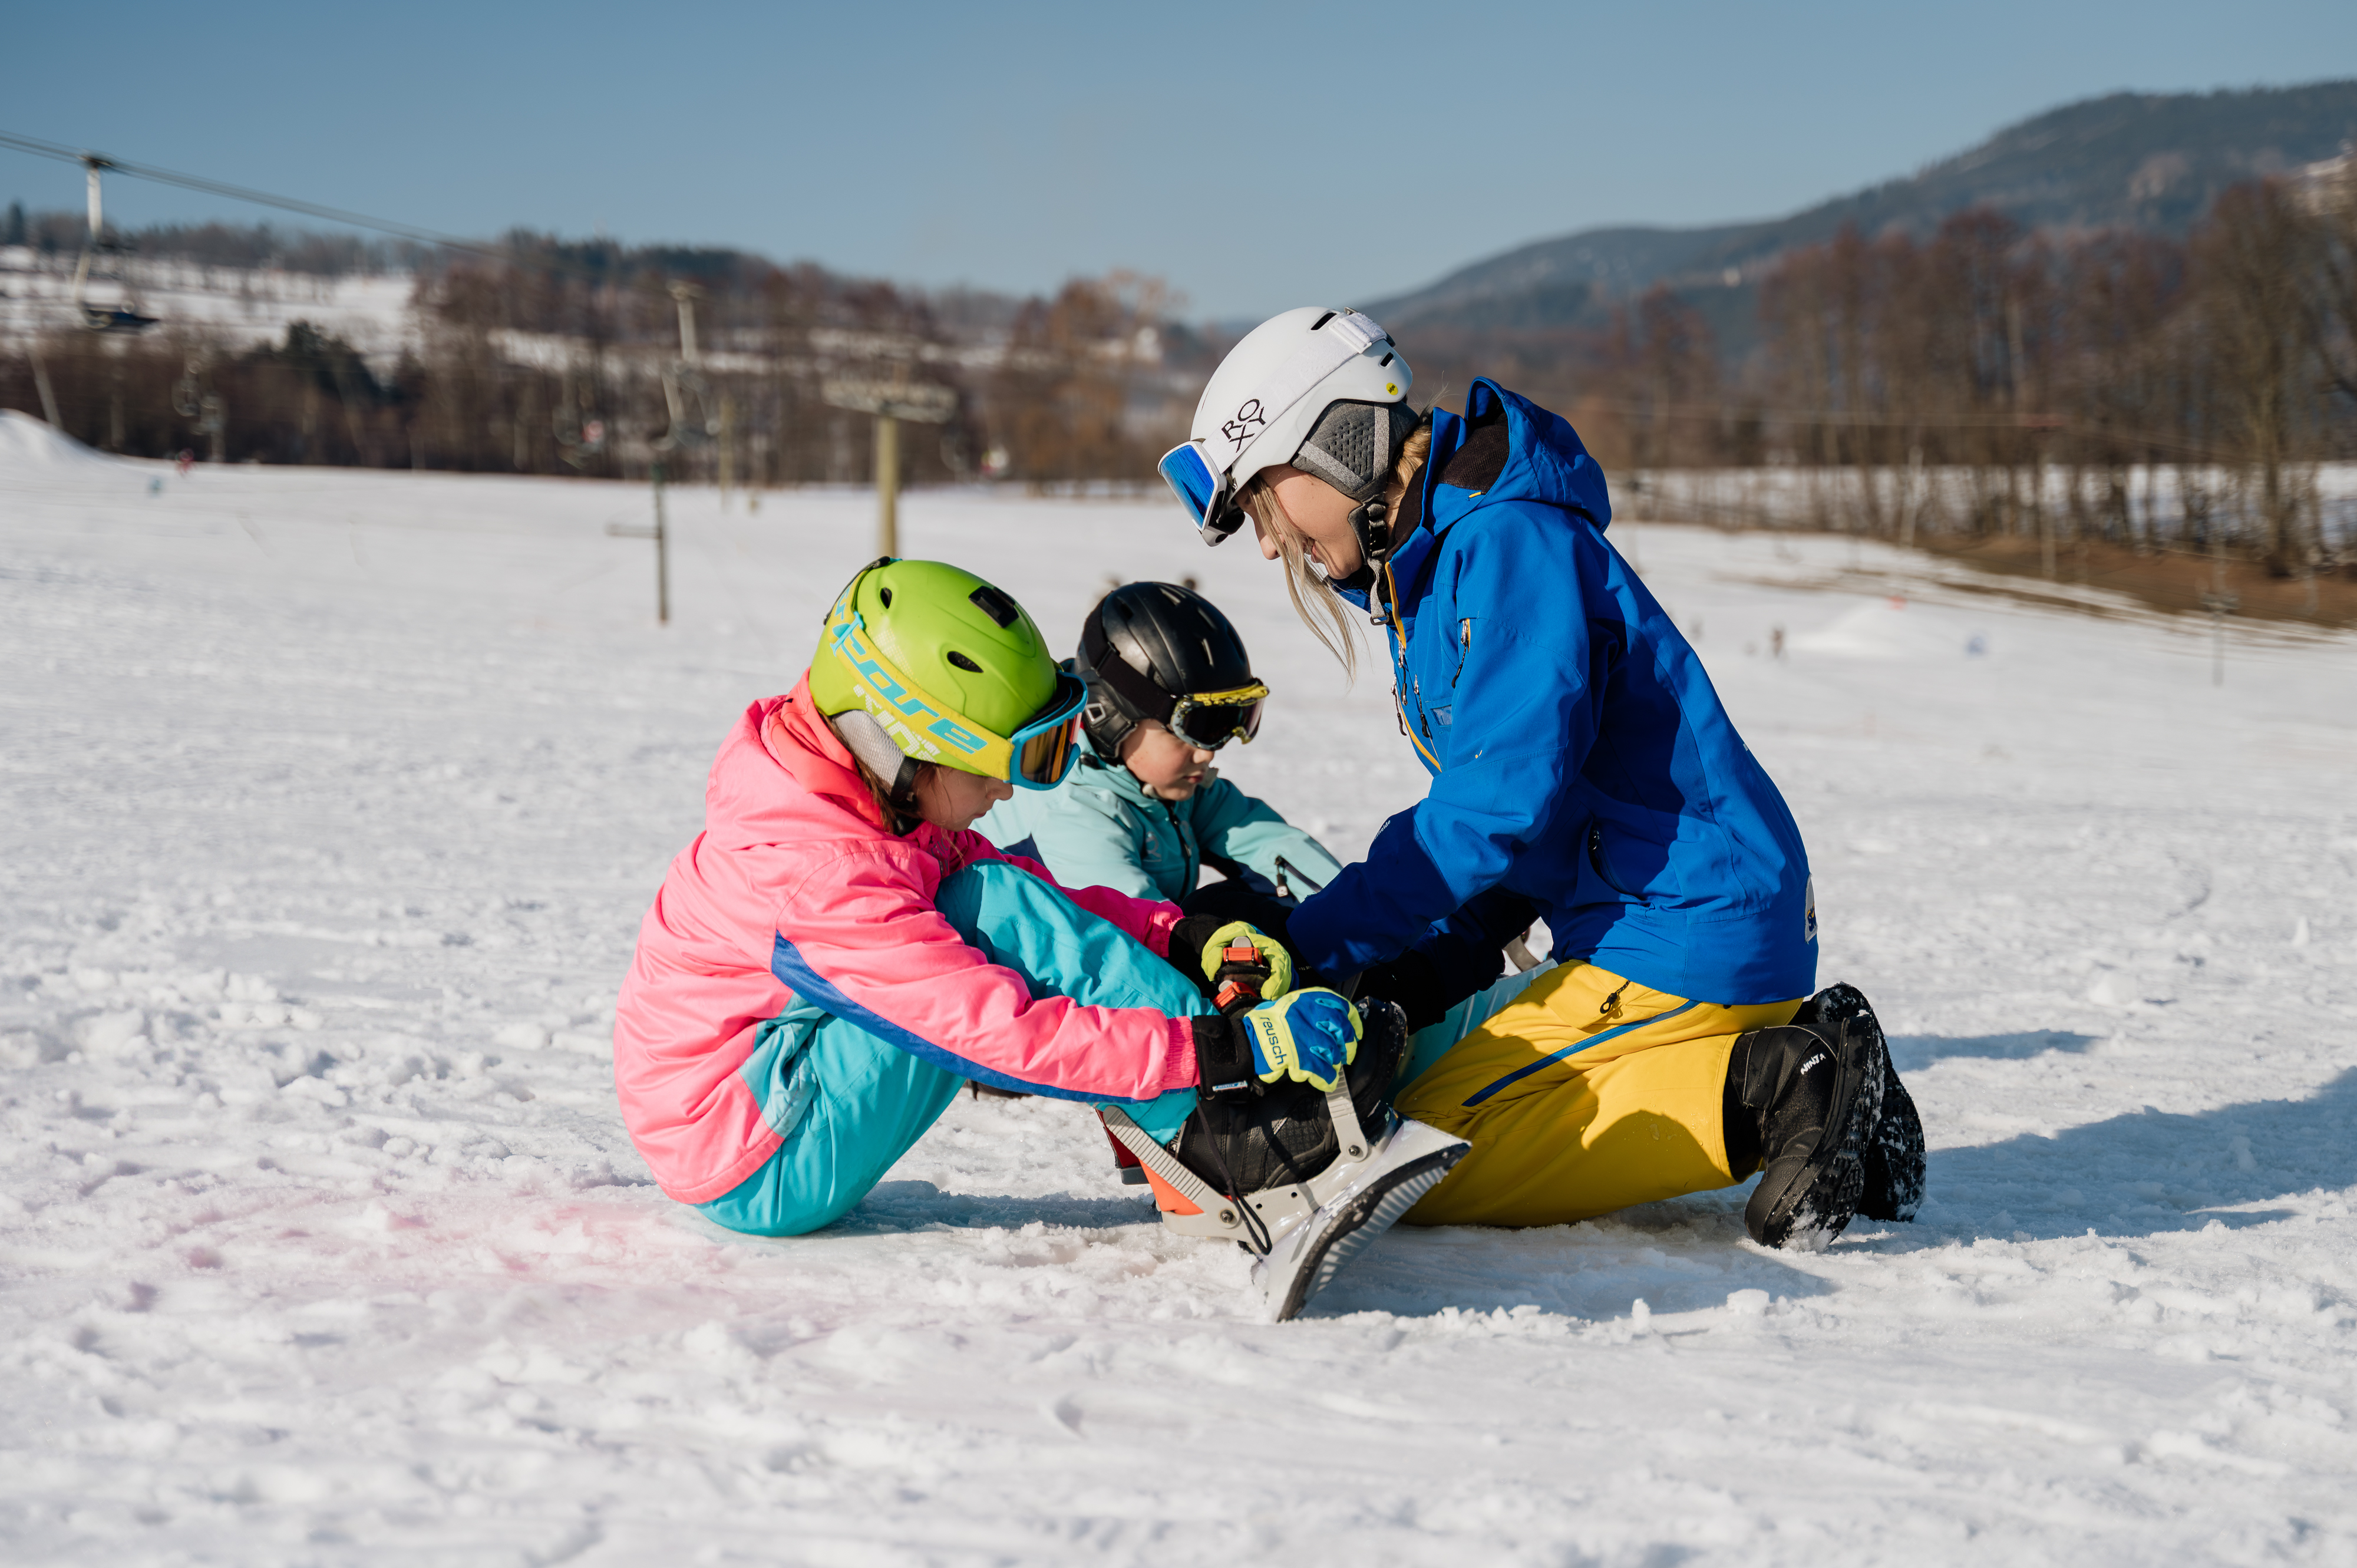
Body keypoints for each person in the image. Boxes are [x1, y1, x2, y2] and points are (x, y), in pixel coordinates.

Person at [1153, 308, 1926, 1249]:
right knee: (1405, 1107)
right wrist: (1423, 957)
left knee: (1407, 1161)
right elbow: (1530, 812)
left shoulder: (1504, 546)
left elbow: (1494, 810)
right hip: (1660, 926)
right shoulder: (1438, 564)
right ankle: (1789, 1068)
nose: (1272, 547)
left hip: (1684, 929)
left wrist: (1317, 936)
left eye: (1269, 504)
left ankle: (1778, 1088)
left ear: (1337, 443)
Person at [609, 556, 1464, 1316]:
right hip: (757, 1155)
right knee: (981, 908)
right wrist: (1223, 1052)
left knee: (990, 890)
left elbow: (1041, 895)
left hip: (773, 1095)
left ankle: (1219, 1123)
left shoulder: (857, 799)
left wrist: (1181, 935)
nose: (1008, 795)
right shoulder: (819, 872)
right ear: (910, 746)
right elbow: (998, 1032)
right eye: (1000, 765)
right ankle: (1232, 1138)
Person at [979, 580, 1343, 916]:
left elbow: (1269, 844)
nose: (1207, 753)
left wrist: (1354, 914)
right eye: (1195, 728)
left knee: (1245, 910)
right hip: (1044, 977)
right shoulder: (1072, 814)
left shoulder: (1163, 780)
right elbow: (1147, 946)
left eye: (1229, 722)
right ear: (1110, 718)